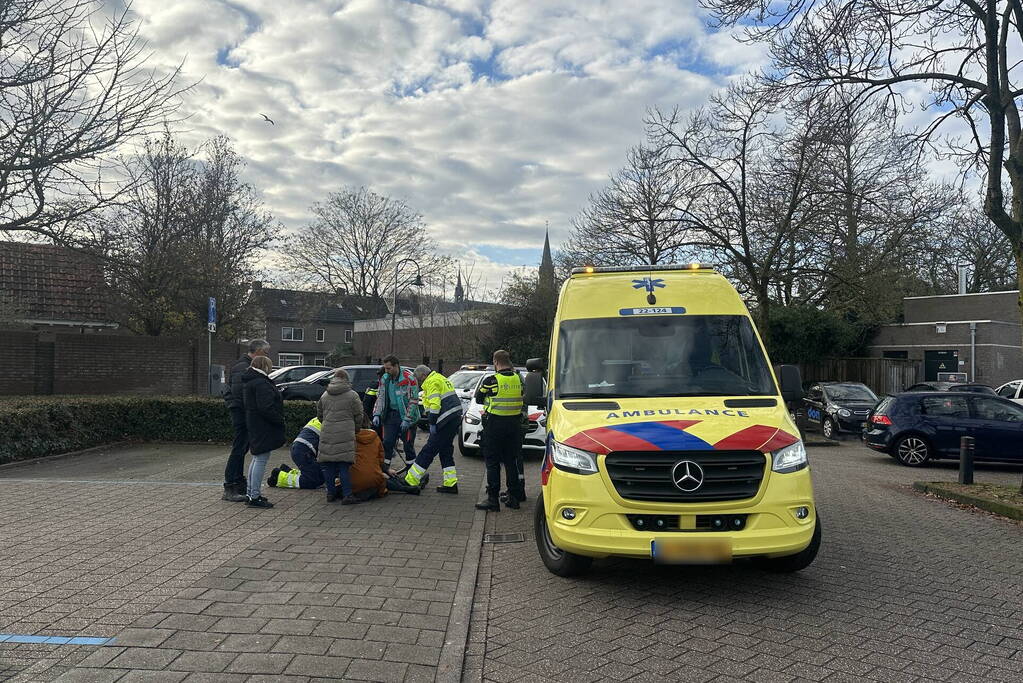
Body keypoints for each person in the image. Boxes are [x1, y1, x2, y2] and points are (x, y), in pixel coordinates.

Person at [475, 350, 526, 511]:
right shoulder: (519, 378)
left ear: (495, 362)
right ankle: (513, 497)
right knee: (511, 462)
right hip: (514, 425)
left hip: (495, 425)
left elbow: (478, 398)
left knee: (493, 463)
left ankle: (493, 500)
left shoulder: (491, 380)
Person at [221, 339, 270, 502]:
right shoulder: (244, 367)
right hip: (242, 414)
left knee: (241, 448)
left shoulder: (243, 365)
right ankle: (230, 486)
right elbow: (240, 395)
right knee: (239, 448)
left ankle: (238, 483)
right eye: (266, 352)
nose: (268, 356)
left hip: (241, 412)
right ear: (258, 352)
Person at [404, 364, 461, 494]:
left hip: (445, 420)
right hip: (453, 418)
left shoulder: (431, 382)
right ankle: (451, 483)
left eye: (419, 379)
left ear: (424, 376)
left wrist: (432, 422)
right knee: (445, 451)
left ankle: (411, 480)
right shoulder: (439, 378)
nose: (418, 382)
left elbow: (435, 404)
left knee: (428, 450)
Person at [241, 355, 285, 508]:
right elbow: (266, 407)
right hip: (263, 425)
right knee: (261, 459)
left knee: (256, 458)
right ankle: (254, 496)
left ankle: (251, 493)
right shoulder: (261, 383)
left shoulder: (250, 381)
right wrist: (279, 419)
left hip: (254, 423)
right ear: (264, 366)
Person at [350, 413, 426, 500]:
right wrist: (386, 470)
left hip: (354, 482)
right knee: (381, 477)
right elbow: (380, 459)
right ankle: (405, 487)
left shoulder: (348, 439)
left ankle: (405, 486)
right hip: (375, 478)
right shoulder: (375, 437)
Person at [317, 368, 365, 504]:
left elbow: (319, 414)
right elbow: (359, 415)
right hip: (345, 432)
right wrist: (355, 429)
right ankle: (347, 495)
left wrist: (326, 423)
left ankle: (330, 494)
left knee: (329, 465)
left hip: (327, 432)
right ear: (347, 379)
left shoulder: (325, 395)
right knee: (343, 466)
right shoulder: (352, 395)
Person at [371, 355, 420, 470]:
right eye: (385, 368)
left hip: (406, 418)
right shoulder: (385, 378)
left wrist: (407, 419)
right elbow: (381, 397)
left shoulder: (409, 378)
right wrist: (377, 414)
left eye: (388, 368)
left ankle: (411, 470)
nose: (386, 371)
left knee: (408, 445)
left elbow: (413, 400)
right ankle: (385, 468)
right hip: (391, 416)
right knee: (387, 443)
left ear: (396, 366)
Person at [267, 417, 325, 490]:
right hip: (305, 452)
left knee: (319, 475)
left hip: (299, 449)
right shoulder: (330, 422)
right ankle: (278, 477)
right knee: (312, 482)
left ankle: (288, 471)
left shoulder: (318, 418)